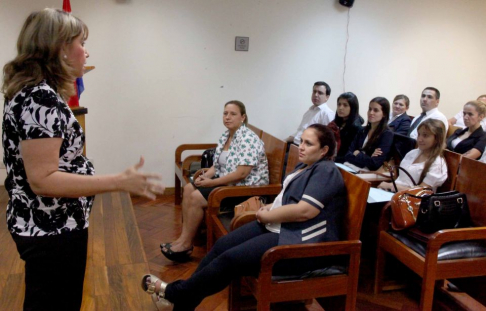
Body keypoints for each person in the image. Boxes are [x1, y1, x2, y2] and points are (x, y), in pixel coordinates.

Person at [1, 9, 165, 311]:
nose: (86, 51)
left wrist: (71, 71)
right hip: (51, 230)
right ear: (59, 48)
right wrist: (119, 181)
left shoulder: (33, 91)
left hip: (48, 225)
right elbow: (43, 180)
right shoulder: (40, 98)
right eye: (81, 42)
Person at [142, 124, 347, 310]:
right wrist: (269, 207)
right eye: (301, 141)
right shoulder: (306, 165)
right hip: (281, 226)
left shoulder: (326, 171)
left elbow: (305, 211)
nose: (301, 146)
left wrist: (269, 216)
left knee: (230, 260)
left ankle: (175, 293)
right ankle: (184, 302)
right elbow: (288, 199)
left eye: (308, 143)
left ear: (324, 150)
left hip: (299, 242)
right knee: (222, 245)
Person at [160, 100, 269, 262]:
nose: (228, 117)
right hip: (227, 184)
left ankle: (185, 244)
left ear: (243, 117)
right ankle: (186, 239)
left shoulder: (248, 139)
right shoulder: (227, 136)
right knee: (189, 189)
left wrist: (213, 183)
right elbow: (217, 165)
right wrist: (207, 176)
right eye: (225, 113)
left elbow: (242, 173)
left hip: (243, 190)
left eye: (233, 114)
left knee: (197, 198)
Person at [378, 119, 447, 192]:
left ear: (437, 139)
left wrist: (391, 186)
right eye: (419, 134)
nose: (419, 139)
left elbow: (420, 192)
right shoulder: (413, 153)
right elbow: (401, 180)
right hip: (394, 193)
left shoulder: (437, 164)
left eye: (425, 135)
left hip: (411, 200)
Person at [344, 97, 393, 172]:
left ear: (384, 114)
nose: (371, 113)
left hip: (367, 173)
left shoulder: (387, 134)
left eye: (375, 110)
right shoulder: (362, 130)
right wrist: (367, 157)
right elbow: (347, 155)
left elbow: (374, 163)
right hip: (350, 167)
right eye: (370, 109)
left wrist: (357, 153)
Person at [330, 92, 364, 163]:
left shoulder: (356, 128)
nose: (340, 108)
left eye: (345, 105)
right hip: (332, 160)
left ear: (353, 108)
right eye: (339, 104)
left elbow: (350, 153)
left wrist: (333, 160)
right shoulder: (334, 124)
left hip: (344, 163)